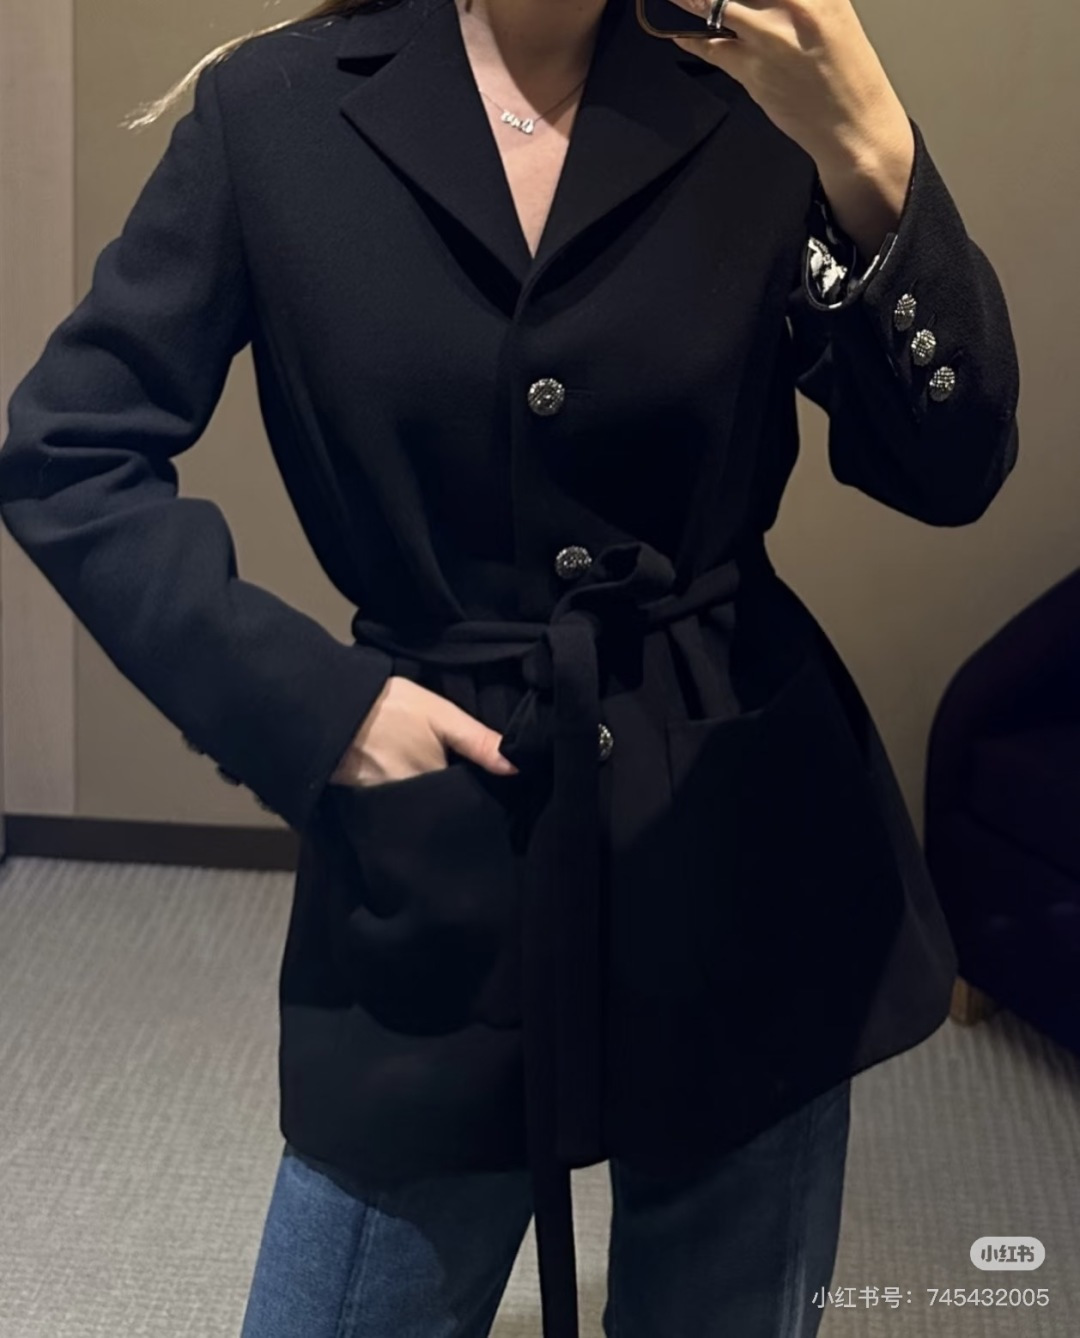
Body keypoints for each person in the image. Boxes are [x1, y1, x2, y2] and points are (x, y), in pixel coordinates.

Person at [0, 0, 1021, 1334]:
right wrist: (314, 710)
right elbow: (68, 452)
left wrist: (868, 139)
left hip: (740, 836)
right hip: (444, 846)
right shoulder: (272, 114)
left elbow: (951, 468)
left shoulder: (758, 101)